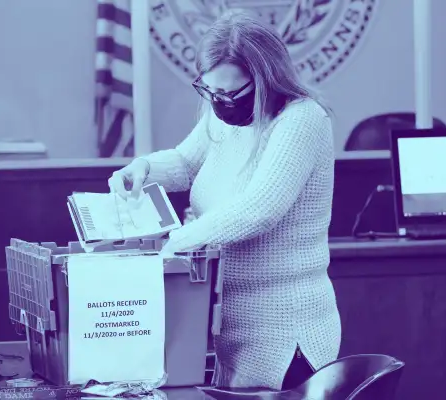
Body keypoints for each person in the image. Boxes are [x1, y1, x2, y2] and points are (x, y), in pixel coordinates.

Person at [108, 10, 341, 391]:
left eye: (233, 93)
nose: (222, 102)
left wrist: (174, 245)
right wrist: (144, 168)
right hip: (230, 330)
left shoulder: (302, 120)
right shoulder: (222, 117)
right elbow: (185, 163)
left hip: (285, 333)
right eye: (212, 92)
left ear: (267, 77)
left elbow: (258, 210)